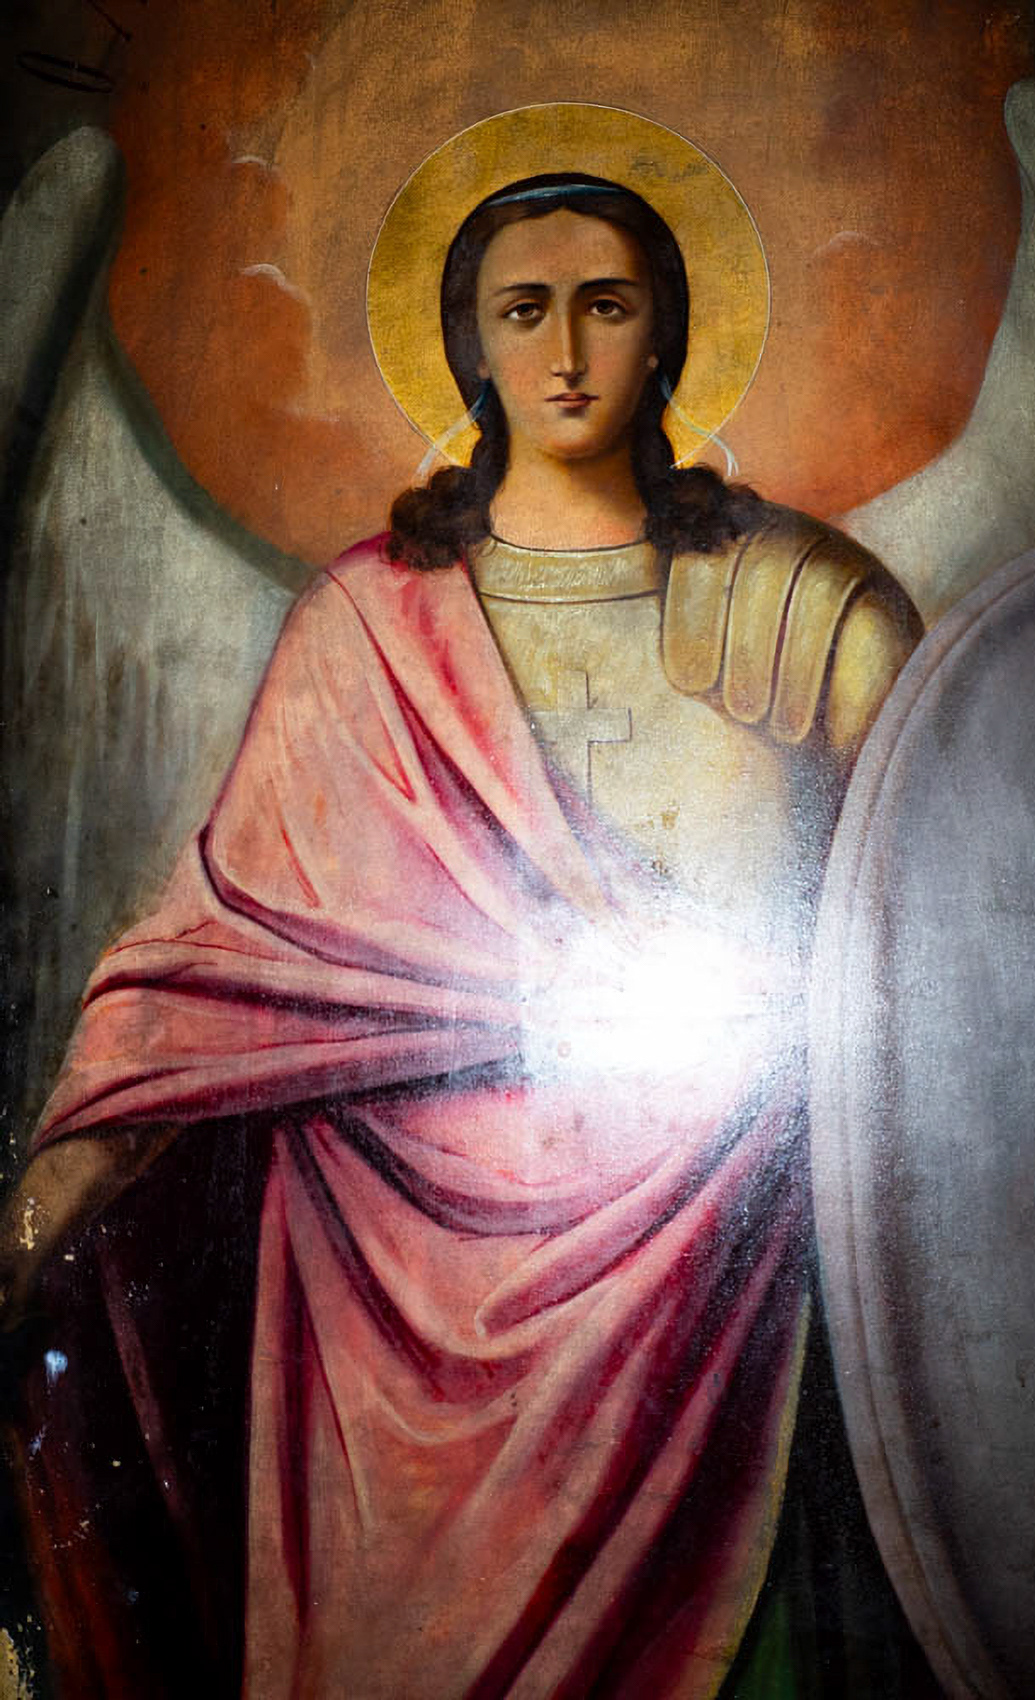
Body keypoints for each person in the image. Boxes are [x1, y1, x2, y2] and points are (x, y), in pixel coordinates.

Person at [0, 118, 922, 1699]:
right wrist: (56, 1186)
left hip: (709, 1289)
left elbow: (904, 915)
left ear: (666, 331)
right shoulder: (366, 622)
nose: (564, 352)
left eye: (605, 305)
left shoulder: (794, 601)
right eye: (522, 310)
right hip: (374, 1304)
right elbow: (221, 962)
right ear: (469, 348)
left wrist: (850, 632)